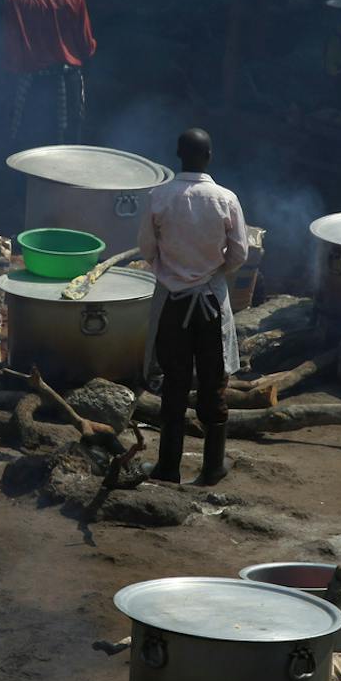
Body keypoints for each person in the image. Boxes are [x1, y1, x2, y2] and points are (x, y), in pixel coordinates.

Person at [138, 127, 249, 487]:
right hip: (211, 304)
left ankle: (168, 467)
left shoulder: (159, 196)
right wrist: (212, 274)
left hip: (173, 303)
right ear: (209, 156)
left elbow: (147, 250)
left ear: (178, 154)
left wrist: (172, 274)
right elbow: (239, 254)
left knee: (174, 380)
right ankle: (212, 467)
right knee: (213, 381)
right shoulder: (225, 199)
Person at [3, 0, 96, 148]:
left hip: (34, 85)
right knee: (70, 143)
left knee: (33, 145)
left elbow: (12, 52)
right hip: (68, 80)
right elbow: (85, 43)